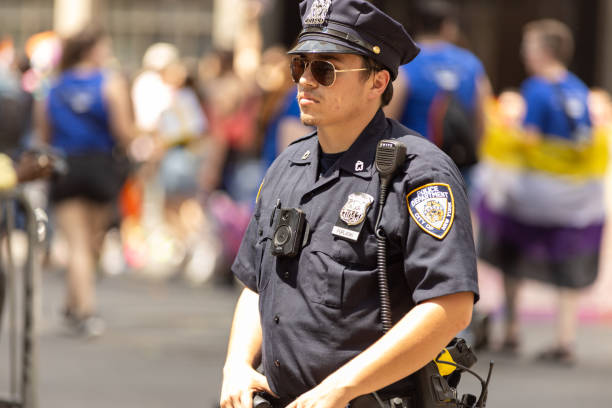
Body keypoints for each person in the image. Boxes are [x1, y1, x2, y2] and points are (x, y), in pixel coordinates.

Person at [220, 1, 479, 407]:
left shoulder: (418, 172)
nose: (306, 81)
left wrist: (341, 388)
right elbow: (256, 285)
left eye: (325, 69)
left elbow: (450, 306)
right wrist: (235, 364)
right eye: (299, 67)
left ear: (377, 82)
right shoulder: (288, 164)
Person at [475, 19, 607, 364]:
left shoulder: (536, 89)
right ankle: (565, 338)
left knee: (510, 246)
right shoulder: (579, 89)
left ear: (544, 51)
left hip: (535, 195)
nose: (523, 52)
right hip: (574, 196)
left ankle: (512, 331)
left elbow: (530, 140)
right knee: (568, 261)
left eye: (528, 45)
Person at [36, 25, 135, 337]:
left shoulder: (53, 86)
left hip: (66, 165)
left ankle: (72, 302)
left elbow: (44, 134)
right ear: (92, 50)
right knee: (90, 243)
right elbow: (123, 131)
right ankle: (86, 311)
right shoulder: (109, 82)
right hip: (101, 165)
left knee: (81, 244)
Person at [385, 0, 491, 179]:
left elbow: (387, 118)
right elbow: (482, 119)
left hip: (414, 168)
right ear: (448, 26)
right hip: (459, 168)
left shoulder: (404, 63)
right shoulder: (471, 64)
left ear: (417, 25)